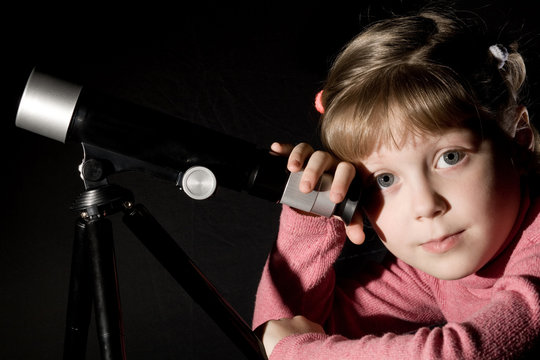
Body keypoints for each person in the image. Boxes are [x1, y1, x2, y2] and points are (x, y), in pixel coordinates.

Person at [252, 5, 540, 359]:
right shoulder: (433, 273)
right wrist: (311, 209)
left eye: (450, 157)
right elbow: (293, 329)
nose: (425, 206)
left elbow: (462, 354)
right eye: (385, 179)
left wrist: (294, 353)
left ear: (519, 138)